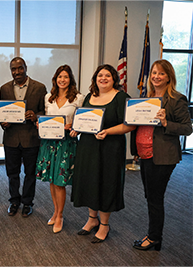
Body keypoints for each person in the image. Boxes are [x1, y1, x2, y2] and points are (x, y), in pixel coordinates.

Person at [70, 64, 135, 243]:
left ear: (114, 78)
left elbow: (129, 124)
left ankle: (104, 224)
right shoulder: (90, 96)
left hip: (110, 148)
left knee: (107, 182)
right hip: (88, 147)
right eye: (100, 75)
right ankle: (92, 219)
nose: (103, 78)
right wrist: (77, 129)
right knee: (90, 181)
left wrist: (108, 131)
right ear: (95, 79)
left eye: (107, 75)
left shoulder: (121, 97)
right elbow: (84, 120)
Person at [131, 59, 192, 251]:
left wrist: (166, 123)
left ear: (169, 77)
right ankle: (154, 235)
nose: (156, 76)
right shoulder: (146, 98)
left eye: (161, 73)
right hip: (145, 153)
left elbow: (187, 128)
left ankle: (154, 237)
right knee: (150, 195)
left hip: (162, 156)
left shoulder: (176, 99)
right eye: (154, 73)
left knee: (155, 197)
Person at [35, 65, 84, 233]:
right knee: (51, 179)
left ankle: (60, 215)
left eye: (66, 77)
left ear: (71, 79)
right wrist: (39, 124)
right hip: (49, 143)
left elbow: (83, 121)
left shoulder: (78, 98)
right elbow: (45, 117)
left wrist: (74, 125)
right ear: (55, 79)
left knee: (60, 181)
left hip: (66, 144)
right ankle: (55, 212)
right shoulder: (48, 97)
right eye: (59, 77)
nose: (62, 80)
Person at [0, 57, 46, 217]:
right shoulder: (4, 88)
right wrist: (3, 122)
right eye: (13, 69)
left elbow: (44, 112)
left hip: (31, 138)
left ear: (26, 67)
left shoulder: (39, 87)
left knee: (30, 173)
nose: (17, 72)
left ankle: (27, 203)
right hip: (11, 138)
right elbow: (2, 112)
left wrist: (35, 116)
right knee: (11, 173)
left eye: (20, 68)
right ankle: (14, 201)